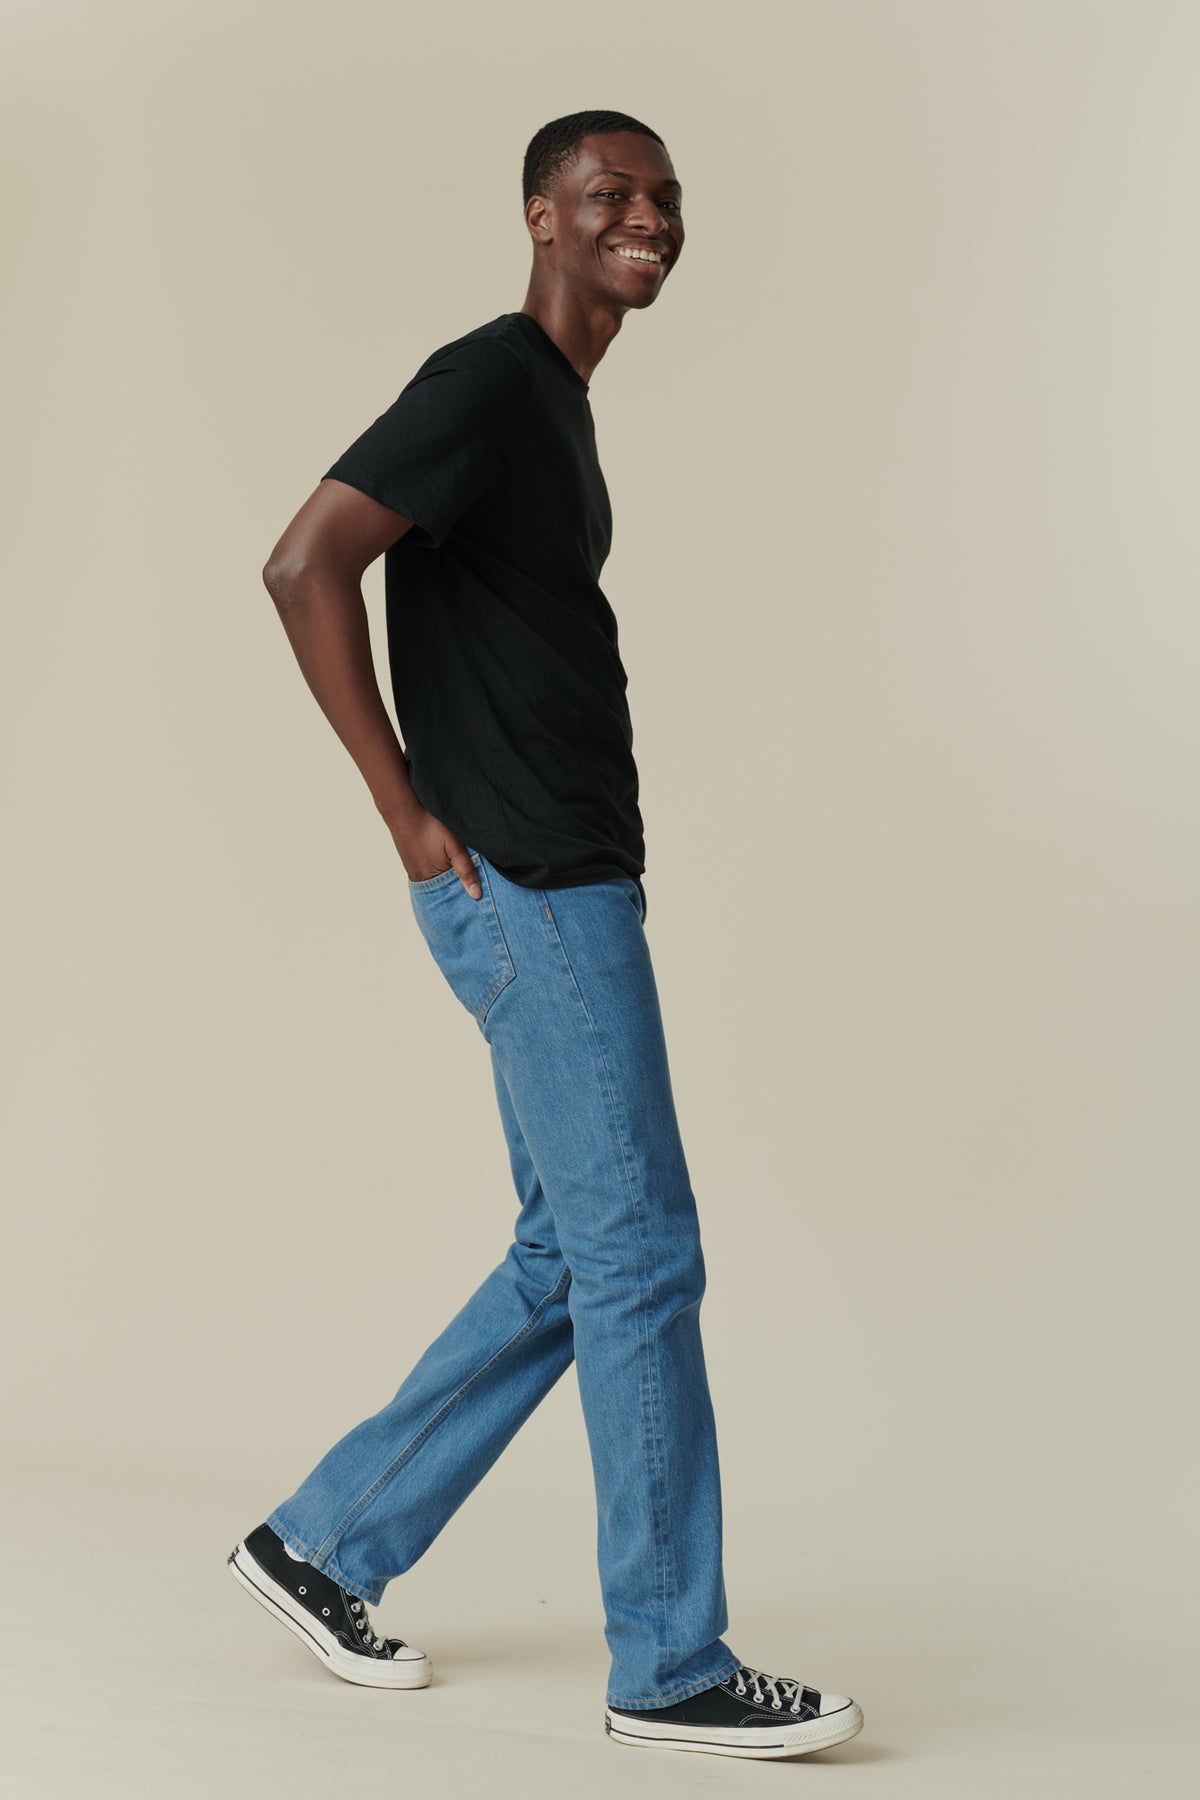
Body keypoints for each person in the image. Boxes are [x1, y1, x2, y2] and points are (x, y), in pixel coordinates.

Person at [227, 109, 864, 1762]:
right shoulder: (492, 379)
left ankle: (321, 1539)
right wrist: (409, 819)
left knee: (571, 1258)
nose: (643, 219)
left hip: (567, 881)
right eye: (608, 196)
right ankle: (670, 1660)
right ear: (540, 215)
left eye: (661, 200)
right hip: (528, 886)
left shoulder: (555, 408)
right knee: (644, 1254)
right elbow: (305, 564)